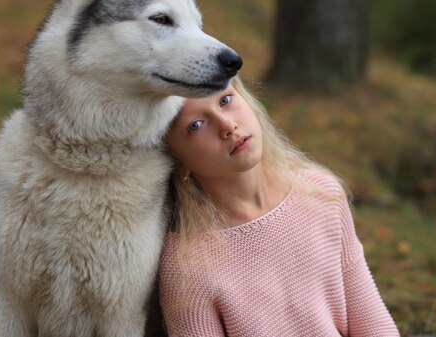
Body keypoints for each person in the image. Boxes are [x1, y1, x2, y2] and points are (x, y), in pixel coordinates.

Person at [159, 77, 400, 336]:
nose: (228, 126)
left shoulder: (321, 195)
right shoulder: (187, 265)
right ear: (177, 159)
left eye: (225, 100)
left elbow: (374, 325)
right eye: (196, 125)